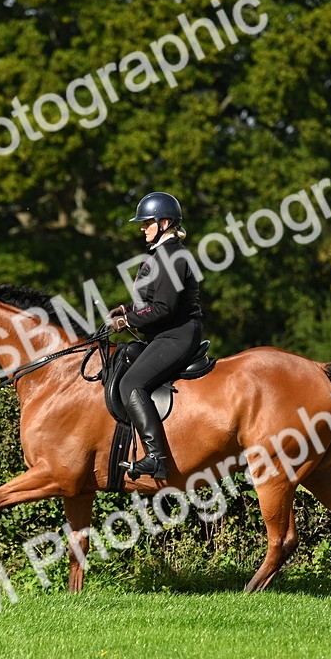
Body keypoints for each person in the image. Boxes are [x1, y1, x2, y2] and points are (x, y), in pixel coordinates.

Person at [107, 191, 203, 479]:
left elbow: (163, 308)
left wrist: (128, 320)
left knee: (130, 383)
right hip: (164, 335)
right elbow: (151, 298)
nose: (142, 227)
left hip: (177, 336)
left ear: (164, 222)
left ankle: (155, 457)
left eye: (146, 222)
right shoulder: (161, 254)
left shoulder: (174, 257)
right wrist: (126, 309)